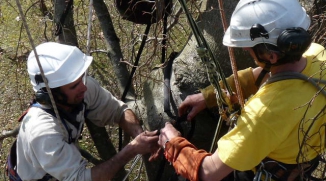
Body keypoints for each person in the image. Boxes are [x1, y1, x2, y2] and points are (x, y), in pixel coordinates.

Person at [158, 0, 326, 181]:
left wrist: (172, 144)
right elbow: (260, 75)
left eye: (249, 47)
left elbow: (208, 172)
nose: (245, 48)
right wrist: (210, 96)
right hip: (301, 159)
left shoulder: (264, 113)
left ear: (271, 55)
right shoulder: (318, 54)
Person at [16, 42, 159, 181]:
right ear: (50, 94)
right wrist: (132, 149)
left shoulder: (81, 88)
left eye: (82, 79)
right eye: (74, 86)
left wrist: (139, 134)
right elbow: (80, 178)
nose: (84, 88)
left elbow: (117, 110)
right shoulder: (42, 131)